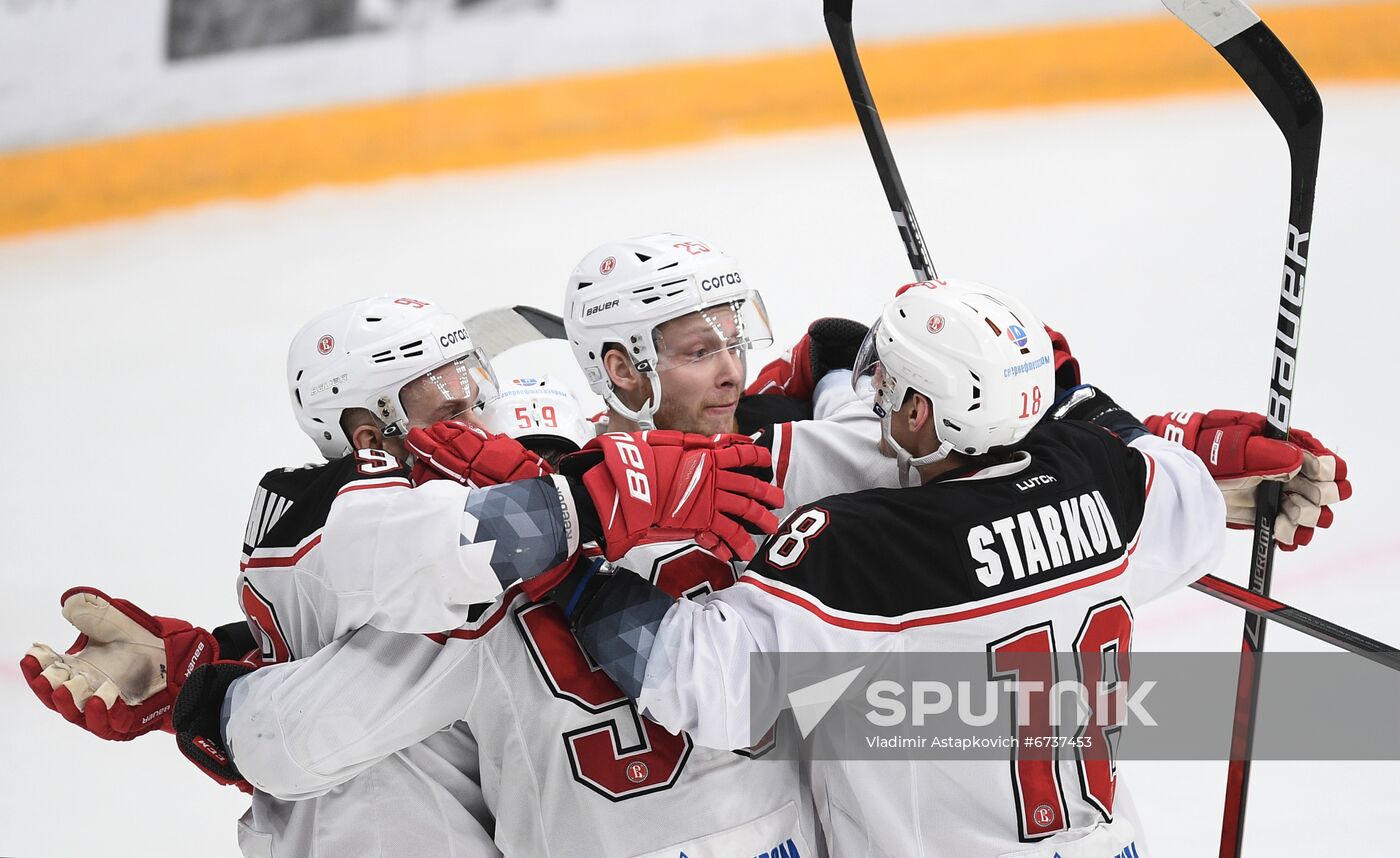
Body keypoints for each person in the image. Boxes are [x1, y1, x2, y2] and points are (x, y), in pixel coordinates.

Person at [187, 236, 1347, 857]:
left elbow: (317, 728)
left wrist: (213, 698)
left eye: (731, 339)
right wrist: (1177, 443)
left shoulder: (500, 558)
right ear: (620, 371)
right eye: (698, 349)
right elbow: (1021, 448)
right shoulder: (845, 474)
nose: (737, 368)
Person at [517, 277, 1337, 856]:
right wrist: (1127, 422)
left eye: (887, 381)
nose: (869, 390)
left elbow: (706, 683)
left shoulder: (862, 547)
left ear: (918, 410)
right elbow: (1187, 489)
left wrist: (574, 573)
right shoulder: (1111, 480)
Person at [22, 294, 778, 858]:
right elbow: (831, 707)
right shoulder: (782, 505)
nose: (479, 424)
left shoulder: (480, 598)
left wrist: (201, 689)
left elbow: (288, 738)